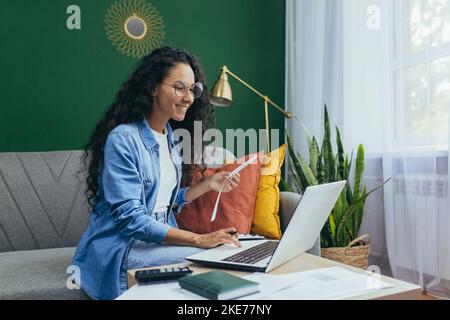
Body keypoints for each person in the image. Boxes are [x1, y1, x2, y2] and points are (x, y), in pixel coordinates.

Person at [72, 47, 241, 300]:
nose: (188, 97)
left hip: (155, 242)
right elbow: (132, 219)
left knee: (230, 252)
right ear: (153, 87)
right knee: (215, 258)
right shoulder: (123, 139)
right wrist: (198, 239)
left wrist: (208, 184)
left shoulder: (169, 137)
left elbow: (163, 201)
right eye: (179, 87)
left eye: (192, 89)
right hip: (124, 246)